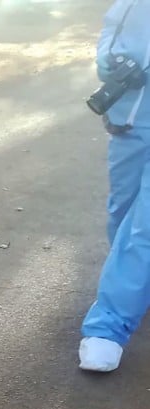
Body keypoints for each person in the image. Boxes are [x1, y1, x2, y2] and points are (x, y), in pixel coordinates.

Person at [79, 0, 150, 372]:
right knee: (122, 212)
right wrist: (111, 64)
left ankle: (108, 327)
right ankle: (134, 282)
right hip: (131, 122)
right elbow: (111, 34)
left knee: (145, 227)